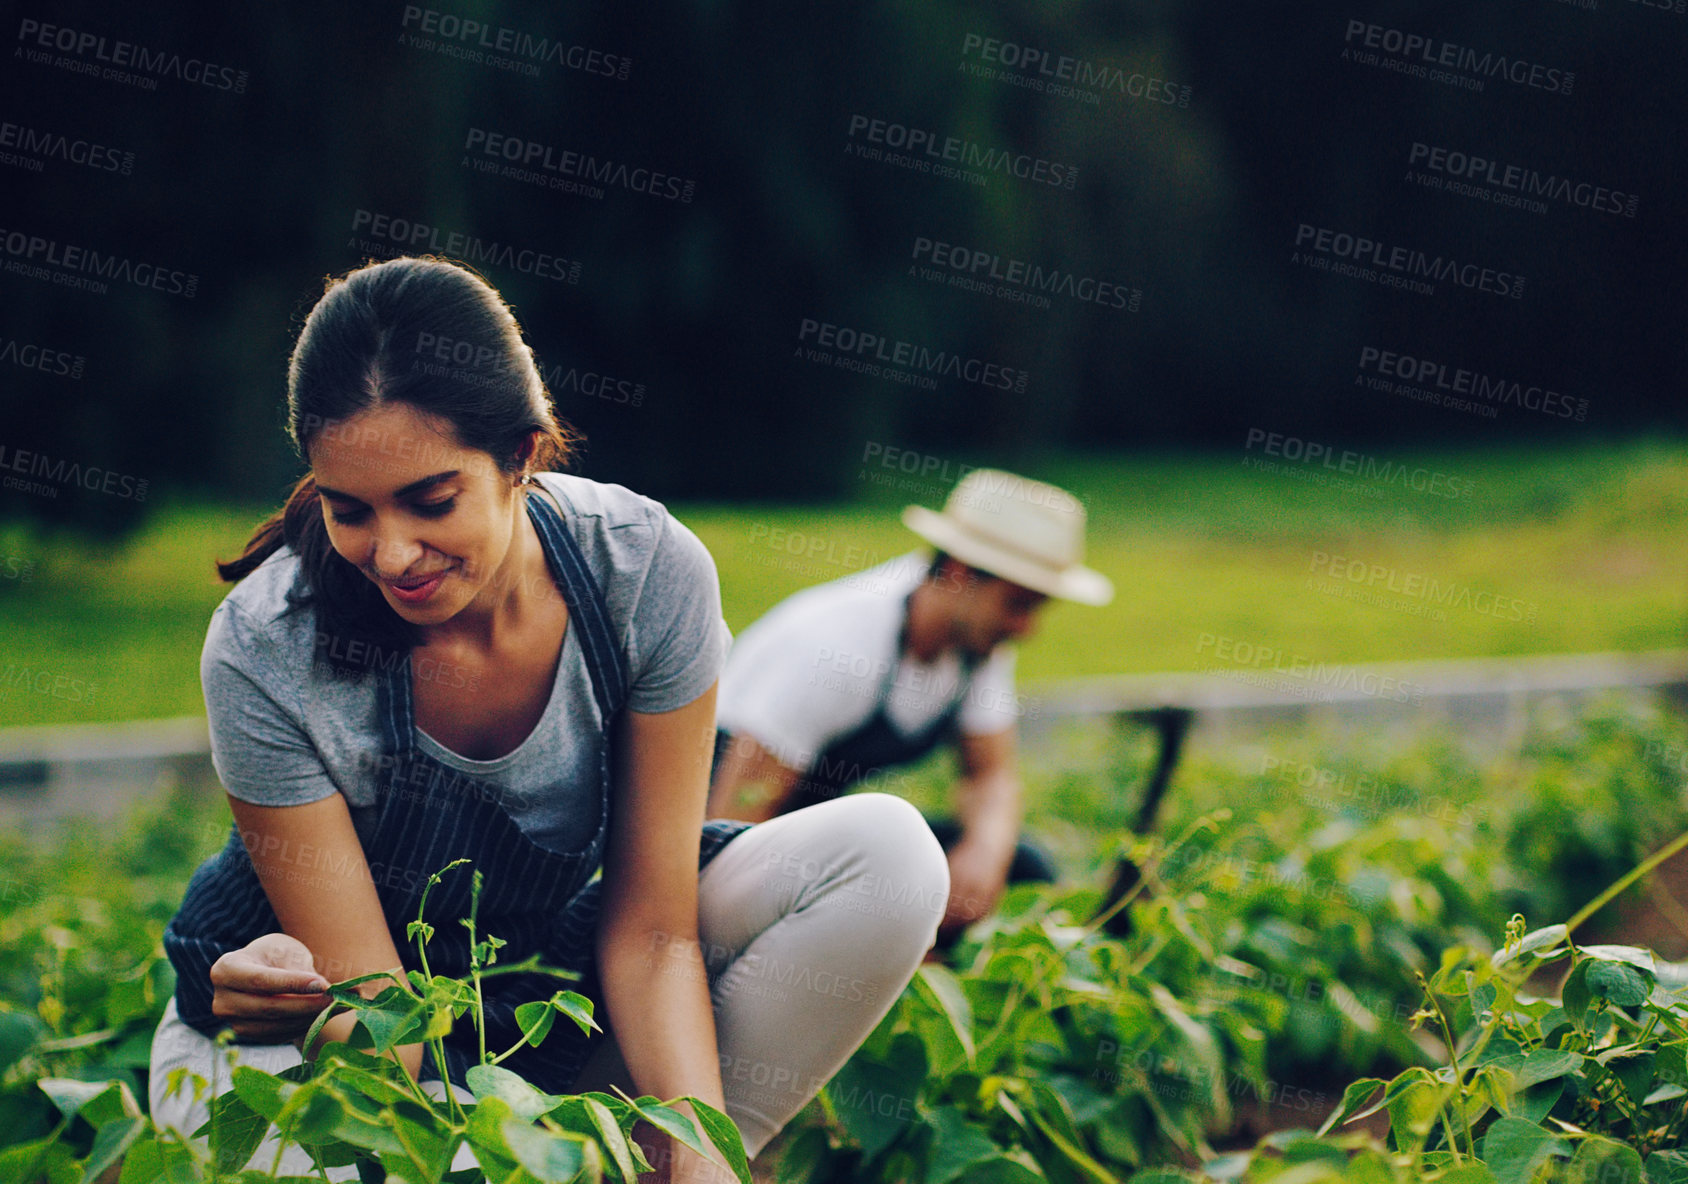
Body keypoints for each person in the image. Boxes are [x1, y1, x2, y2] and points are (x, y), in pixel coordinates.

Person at [148, 256, 950, 1182]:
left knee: (886, 853)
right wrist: (314, 1011)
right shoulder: (266, 646)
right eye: (348, 510)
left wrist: (698, 1160)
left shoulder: (642, 573)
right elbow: (382, 1029)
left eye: (431, 500)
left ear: (523, 456)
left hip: (531, 1000)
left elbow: (654, 931)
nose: (393, 552)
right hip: (307, 1053)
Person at [708, 468, 1113, 945]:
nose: (1026, 628)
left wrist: (983, 851)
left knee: (1026, 868)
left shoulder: (978, 646)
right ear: (960, 573)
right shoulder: (836, 646)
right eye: (1019, 604)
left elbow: (990, 775)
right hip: (733, 833)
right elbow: (737, 825)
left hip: (815, 832)